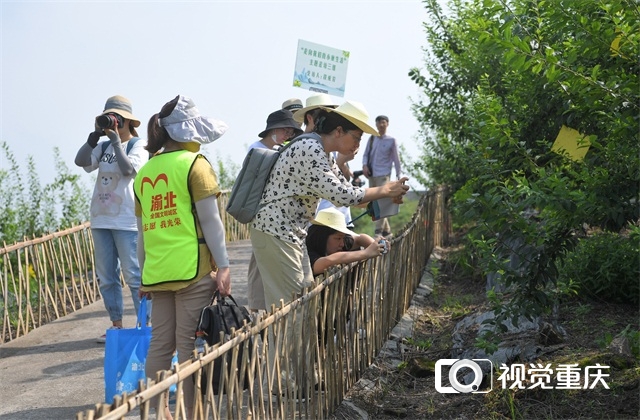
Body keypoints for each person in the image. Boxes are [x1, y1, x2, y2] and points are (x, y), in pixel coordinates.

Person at [250, 100, 409, 393]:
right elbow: (343, 194)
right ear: (338, 131)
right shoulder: (310, 148)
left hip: (290, 234)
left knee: (304, 303)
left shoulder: (320, 152)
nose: (358, 145)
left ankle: (299, 377)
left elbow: (352, 195)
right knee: (291, 309)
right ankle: (280, 382)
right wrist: (385, 189)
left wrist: (387, 195)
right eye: (356, 138)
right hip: (276, 233)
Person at [133, 95, 231, 418]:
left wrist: (144, 274)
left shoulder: (144, 174)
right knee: (189, 350)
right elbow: (212, 223)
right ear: (188, 133)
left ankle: (155, 412)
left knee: (160, 347)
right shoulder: (195, 166)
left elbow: (143, 233)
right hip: (194, 273)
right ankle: (192, 413)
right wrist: (224, 266)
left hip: (159, 275)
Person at [74, 95, 149, 343]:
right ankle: (116, 325)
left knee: (134, 275)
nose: (111, 123)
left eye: (114, 118)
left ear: (125, 121)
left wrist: (117, 142)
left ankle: (143, 325)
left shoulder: (138, 145)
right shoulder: (102, 146)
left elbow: (129, 171)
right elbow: (81, 162)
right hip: (101, 219)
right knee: (107, 277)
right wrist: (93, 138)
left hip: (127, 220)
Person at [246, 109, 302, 313]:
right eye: (287, 131)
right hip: (261, 217)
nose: (289, 135)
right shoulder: (258, 150)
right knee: (258, 265)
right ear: (274, 130)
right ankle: (255, 307)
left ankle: (264, 306)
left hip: (275, 222)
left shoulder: (280, 150)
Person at [293, 94, 355, 226]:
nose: (328, 121)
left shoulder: (323, 145)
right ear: (310, 118)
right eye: (324, 116)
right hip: (286, 226)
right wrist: (383, 192)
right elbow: (339, 193)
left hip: (307, 222)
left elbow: (344, 183)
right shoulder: (308, 146)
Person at [306, 207, 386, 276]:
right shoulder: (305, 250)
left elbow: (360, 238)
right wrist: (366, 253)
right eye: (338, 238)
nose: (342, 243)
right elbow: (327, 262)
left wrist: (376, 245)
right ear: (322, 237)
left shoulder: (341, 242)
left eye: (343, 238)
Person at [361, 115, 402, 237]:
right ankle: (387, 231)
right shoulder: (372, 138)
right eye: (379, 123)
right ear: (376, 124)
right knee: (374, 202)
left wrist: (399, 176)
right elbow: (365, 155)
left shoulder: (391, 140)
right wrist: (364, 166)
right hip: (372, 174)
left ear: (387, 124)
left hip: (384, 174)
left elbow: (396, 159)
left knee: (382, 202)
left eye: (383, 122)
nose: (381, 125)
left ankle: (378, 231)